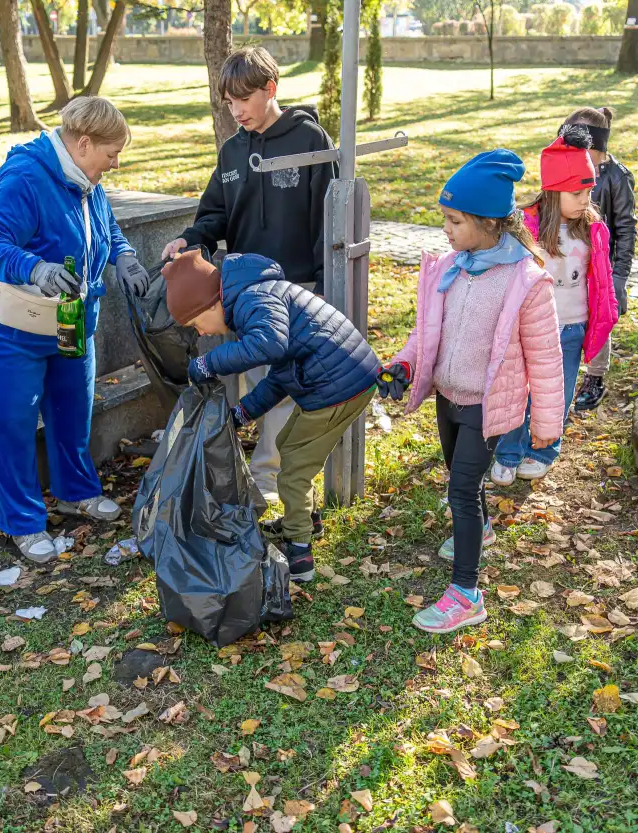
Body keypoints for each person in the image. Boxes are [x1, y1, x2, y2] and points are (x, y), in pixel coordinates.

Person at [378, 150, 565, 633]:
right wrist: (404, 363)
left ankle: (466, 593)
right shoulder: (449, 267)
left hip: (488, 405)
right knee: (460, 480)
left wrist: (546, 425)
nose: (446, 229)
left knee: (459, 490)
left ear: (488, 223)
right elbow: (425, 333)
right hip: (448, 396)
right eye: (444, 218)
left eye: (455, 221)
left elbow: (545, 359)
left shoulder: (526, 281)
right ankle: (477, 529)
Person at [0, 97, 152, 563]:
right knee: (13, 423)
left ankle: (75, 492)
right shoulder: (26, 176)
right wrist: (34, 268)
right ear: (84, 143)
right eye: (112, 153)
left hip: (68, 321)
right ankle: (23, 523)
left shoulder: (86, 179)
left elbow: (105, 227)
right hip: (11, 327)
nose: (116, 162)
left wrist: (122, 256)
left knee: (72, 409)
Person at [160, 45, 336, 502]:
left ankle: (270, 482)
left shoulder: (310, 141)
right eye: (230, 103)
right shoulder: (233, 150)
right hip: (236, 290)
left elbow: (328, 221)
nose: (237, 112)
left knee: (278, 387)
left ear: (270, 89)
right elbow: (214, 213)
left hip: (296, 287)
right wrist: (191, 239)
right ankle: (229, 473)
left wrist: (327, 286)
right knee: (241, 381)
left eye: (244, 100)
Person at [162, 248, 379, 583]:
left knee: (293, 468)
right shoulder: (256, 295)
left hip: (340, 385)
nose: (202, 333)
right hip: (339, 379)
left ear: (208, 303)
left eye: (196, 324)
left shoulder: (252, 300)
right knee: (285, 442)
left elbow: (269, 346)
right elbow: (280, 375)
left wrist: (209, 363)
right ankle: (306, 520)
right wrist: (242, 413)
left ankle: (300, 552)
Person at [491, 129, 619, 486]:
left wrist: (603, 319)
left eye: (589, 191)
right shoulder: (524, 226)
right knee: (519, 390)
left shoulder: (593, 228)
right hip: (529, 327)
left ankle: (543, 450)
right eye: (577, 192)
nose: (586, 199)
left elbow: (602, 280)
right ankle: (508, 451)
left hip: (572, 326)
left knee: (557, 394)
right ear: (553, 191)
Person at [561, 107, 636, 412]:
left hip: (601, 266)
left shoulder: (617, 177)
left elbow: (626, 229)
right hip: (569, 258)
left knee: (599, 320)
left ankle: (595, 377)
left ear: (595, 147)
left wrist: (618, 278)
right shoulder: (569, 169)